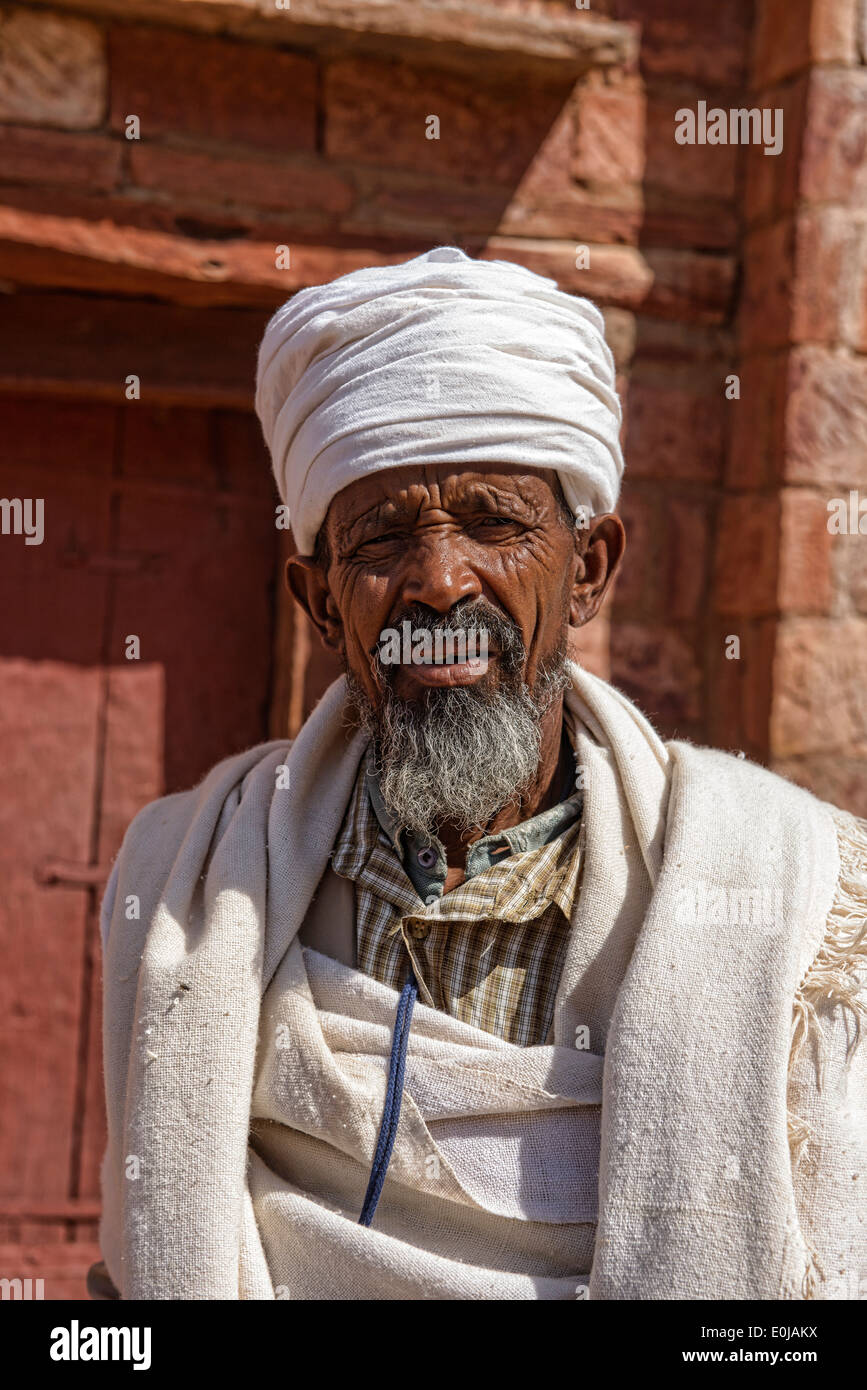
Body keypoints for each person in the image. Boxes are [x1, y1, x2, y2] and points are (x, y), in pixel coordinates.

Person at [89, 247, 866, 1301]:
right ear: (319, 604)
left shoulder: (792, 888)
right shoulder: (192, 876)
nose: (441, 582)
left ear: (588, 567)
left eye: (496, 524)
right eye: (381, 539)